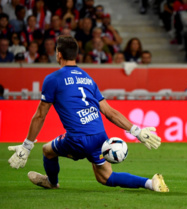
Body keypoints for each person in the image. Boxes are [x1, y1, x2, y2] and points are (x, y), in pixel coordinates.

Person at [7, 35, 169, 193]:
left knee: (47, 151)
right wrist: (137, 131)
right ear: (75, 55)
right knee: (105, 177)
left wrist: (27, 146)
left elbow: (40, 115)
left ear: (59, 54)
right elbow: (109, 111)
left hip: (77, 139)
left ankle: (52, 182)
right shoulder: (87, 79)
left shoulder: (53, 79)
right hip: (99, 135)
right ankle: (150, 183)